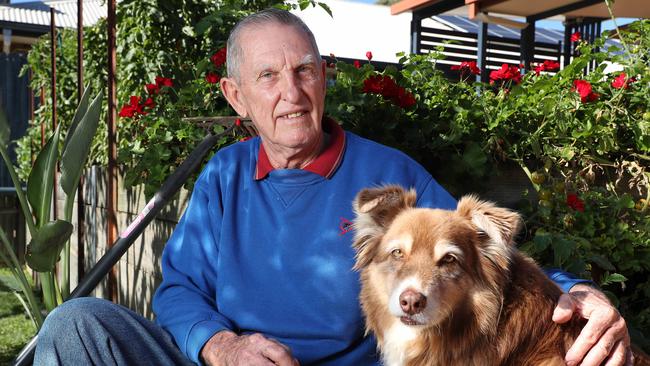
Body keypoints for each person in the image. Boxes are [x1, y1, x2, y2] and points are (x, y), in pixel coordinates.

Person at [35, 8, 632, 366]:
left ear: (324, 78)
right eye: (267, 76)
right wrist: (220, 345)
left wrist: (577, 292)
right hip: (228, 363)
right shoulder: (223, 178)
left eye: (303, 70)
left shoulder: (389, 177)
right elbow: (179, 290)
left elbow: (476, 251)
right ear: (236, 97)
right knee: (74, 323)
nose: (290, 93)